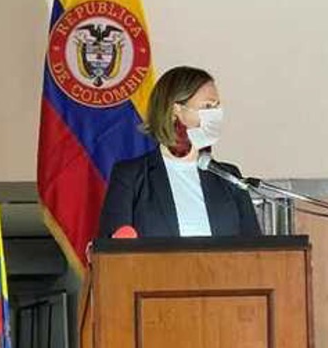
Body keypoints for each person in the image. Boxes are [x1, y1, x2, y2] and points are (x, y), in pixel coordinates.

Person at [98, 66, 261, 238]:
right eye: (207, 106)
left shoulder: (229, 177)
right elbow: (112, 251)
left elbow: (253, 248)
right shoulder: (131, 176)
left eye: (216, 106)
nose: (215, 114)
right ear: (176, 110)